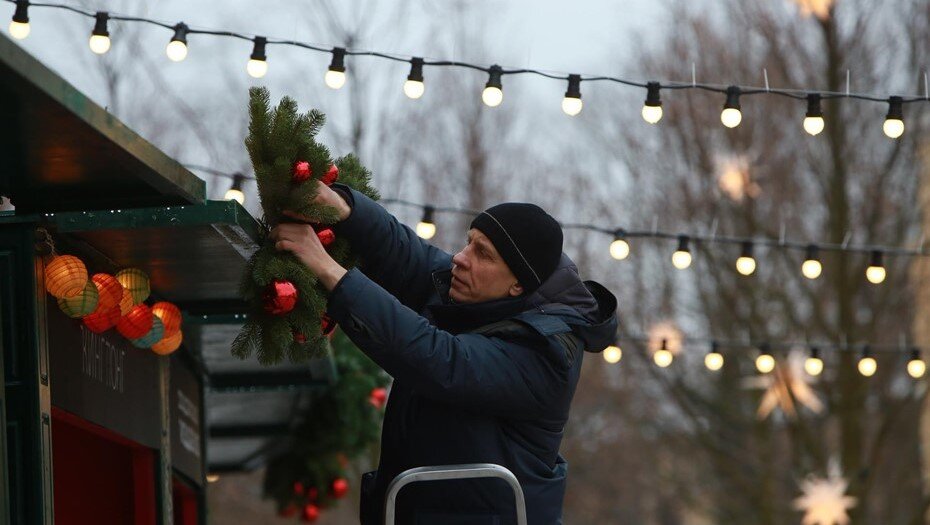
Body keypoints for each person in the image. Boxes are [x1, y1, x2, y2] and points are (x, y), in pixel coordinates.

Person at [271, 181, 618, 525]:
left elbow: (439, 360)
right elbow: (405, 254)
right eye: (470, 243)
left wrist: (329, 270)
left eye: (483, 254)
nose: (460, 259)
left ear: (518, 285)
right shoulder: (476, 295)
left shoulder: (547, 354)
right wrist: (345, 207)